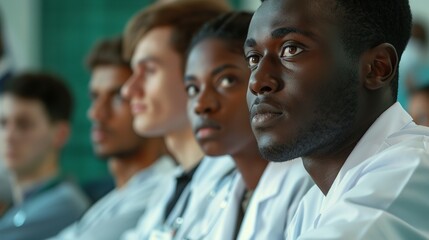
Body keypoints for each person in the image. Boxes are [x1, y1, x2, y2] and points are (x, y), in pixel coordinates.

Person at [245, 0, 429, 239]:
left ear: (377, 67)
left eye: (291, 49)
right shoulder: (312, 205)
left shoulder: (413, 170)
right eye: (253, 58)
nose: (257, 81)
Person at [182, 12, 313, 239]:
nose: (201, 105)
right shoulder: (223, 191)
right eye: (193, 89)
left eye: (226, 80)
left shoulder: (308, 186)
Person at [119, 1, 233, 239]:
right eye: (133, 72)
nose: (128, 90)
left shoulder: (236, 183)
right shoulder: (169, 188)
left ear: (200, 70)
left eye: (149, 70)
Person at [50, 37, 176, 240]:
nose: (96, 113)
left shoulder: (163, 190)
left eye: (118, 96)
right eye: (94, 97)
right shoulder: (115, 197)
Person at [0, 72, 90, 240]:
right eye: (3, 123)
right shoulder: (17, 204)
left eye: (24, 125)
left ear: (60, 135)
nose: (8, 136)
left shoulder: (65, 205)